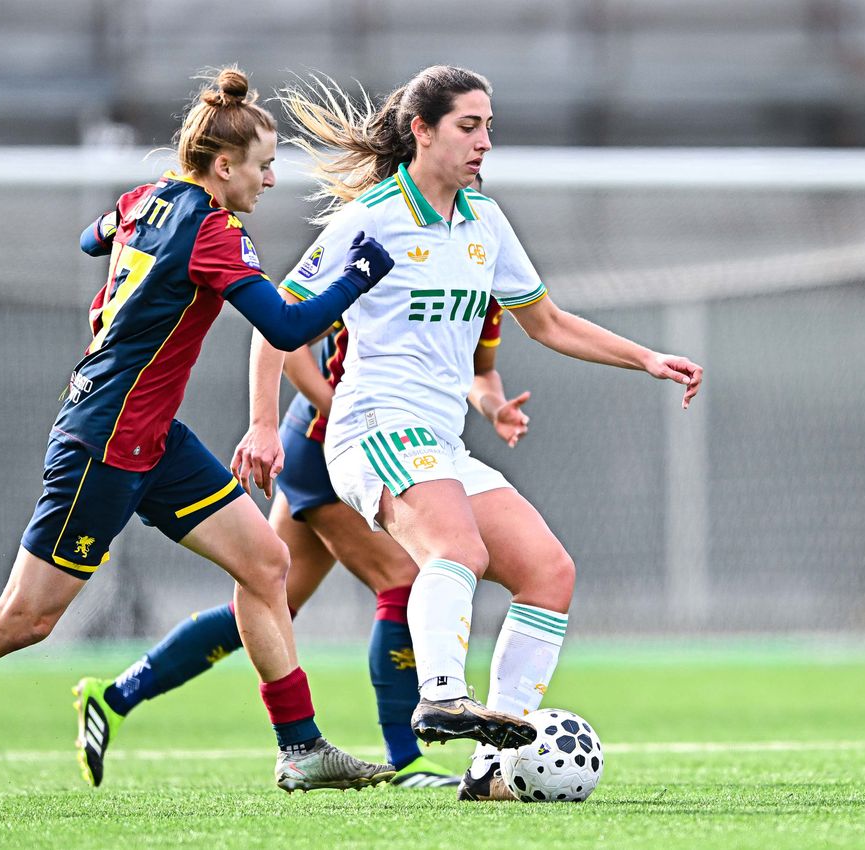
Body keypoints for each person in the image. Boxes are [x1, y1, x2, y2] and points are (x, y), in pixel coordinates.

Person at [0, 67, 399, 817]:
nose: (270, 176)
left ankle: (300, 748)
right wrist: (357, 274)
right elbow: (288, 328)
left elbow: (91, 235)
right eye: (263, 164)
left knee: (264, 562)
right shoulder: (214, 231)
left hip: (150, 435)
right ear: (223, 166)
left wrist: (133, 243)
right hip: (105, 440)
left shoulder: (146, 199)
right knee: (25, 617)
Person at [233, 65, 702, 798]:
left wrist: (643, 357)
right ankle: (441, 695)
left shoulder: (483, 221)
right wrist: (266, 424)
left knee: (549, 572)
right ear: (421, 130)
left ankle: (491, 768)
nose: (485, 141)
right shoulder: (372, 217)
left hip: (438, 442)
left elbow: (544, 322)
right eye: (469, 125)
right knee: (457, 548)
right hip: (371, 427)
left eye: (489, 126)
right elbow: (276, 324)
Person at [70, 292, 529, 790]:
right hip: (326, 444)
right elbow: (285, 339)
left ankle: (115, 696)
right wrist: (341, 410)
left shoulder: (480, 281)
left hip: (345, 444)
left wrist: (492, 404)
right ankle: (406, 759)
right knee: (400, 578)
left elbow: (473, 373)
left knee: (271, 604)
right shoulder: (391, 253)